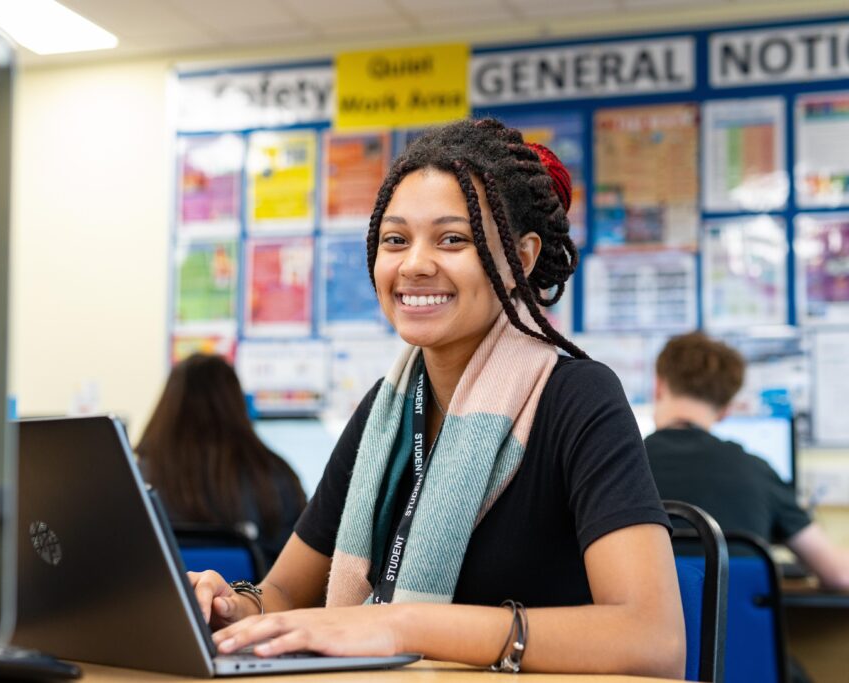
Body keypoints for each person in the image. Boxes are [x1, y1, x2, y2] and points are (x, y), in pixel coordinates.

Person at [188, 119, 685, 677]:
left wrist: (405, 625)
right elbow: (284, 591)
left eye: (453, 238)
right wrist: (231, 606)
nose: (414, 264)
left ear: (521, 258)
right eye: (395, 240)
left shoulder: (577, 397)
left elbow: (652, 640)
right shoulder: (385, 412)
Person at [646, 332, 849, 590]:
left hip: (640, 629)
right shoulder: (757, 471)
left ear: (658, 386)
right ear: (727, 408)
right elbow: (839, 575)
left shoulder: (614, 466)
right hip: (738, 630)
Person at [135, 353, 306, 566]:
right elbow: (300, 568)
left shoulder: (137, 480)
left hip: (162, 598)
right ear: (237, 404)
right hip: (253, 597)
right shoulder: (276, 478)